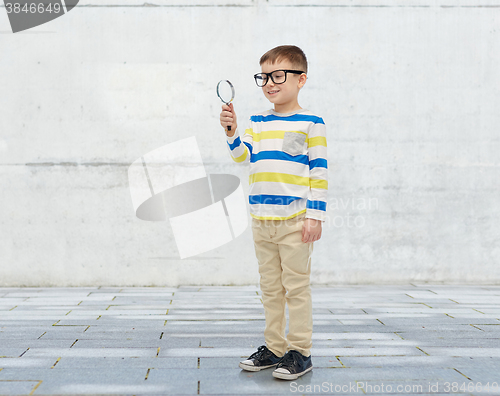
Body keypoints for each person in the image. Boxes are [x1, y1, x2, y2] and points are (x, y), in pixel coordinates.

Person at [219, 45, 328, 380]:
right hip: (261, 221)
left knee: (296, 287)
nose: (269, 83)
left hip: (295, 221)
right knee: (270, 287)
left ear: (301, 79)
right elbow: (242, 157)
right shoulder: (257, 121)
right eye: (263, 76)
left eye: (278, 75)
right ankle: (275, 348)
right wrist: (232, 132)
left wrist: (315, 216)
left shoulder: (312, 123)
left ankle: (300, 351)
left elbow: (319, 172)